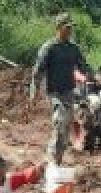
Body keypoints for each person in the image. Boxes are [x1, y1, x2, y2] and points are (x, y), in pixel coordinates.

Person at [31, 14, 94, 165]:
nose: (69, 31)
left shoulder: (73, 49)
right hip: (54, 93)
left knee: (65, 129)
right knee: (60, 122)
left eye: (70, 28)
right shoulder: (49, 48)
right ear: (58, 28)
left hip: (69, 93)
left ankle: (56, 159)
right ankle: (52, 160)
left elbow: (83, 65)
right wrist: (34, 92)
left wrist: (93, 75)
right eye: (67, 28)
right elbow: (37, 70)